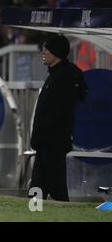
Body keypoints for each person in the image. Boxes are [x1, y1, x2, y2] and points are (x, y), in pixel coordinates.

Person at [30, 34, 88, 201]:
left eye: (47, 48)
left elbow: (58, 112)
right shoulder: (56, 75)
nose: (43, 51)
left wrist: (41, 134)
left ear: (57, 52)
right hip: (46, 143)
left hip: (53, 143)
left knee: (57, 189)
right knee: (37, 189)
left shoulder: (64, 77)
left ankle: (61, 216)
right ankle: (33, 216)